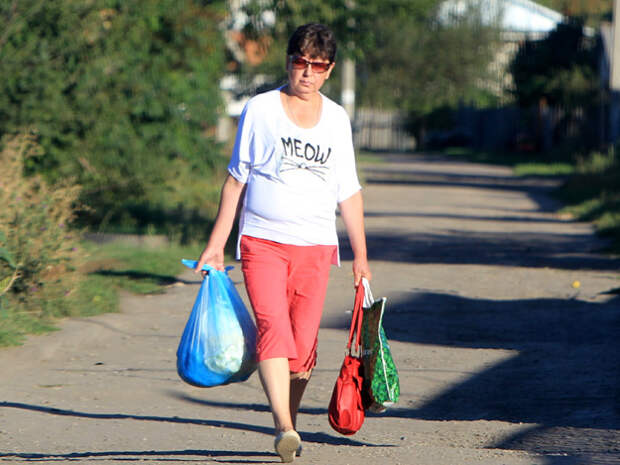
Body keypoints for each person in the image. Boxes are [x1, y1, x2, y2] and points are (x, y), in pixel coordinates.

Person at [194, 23, 371, 463]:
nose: (306, 73)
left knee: (301, 355)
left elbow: (348, 191)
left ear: (329, 70)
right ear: (288, 61)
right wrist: (217, 245)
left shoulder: (336, 119)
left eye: (317, 66)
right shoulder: (261, 110)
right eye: (299, 62)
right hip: (263, 241)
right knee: (273, 329)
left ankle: (286, 429)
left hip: (314, 246)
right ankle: (284, 427)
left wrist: (361, 257)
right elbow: (236, 181)